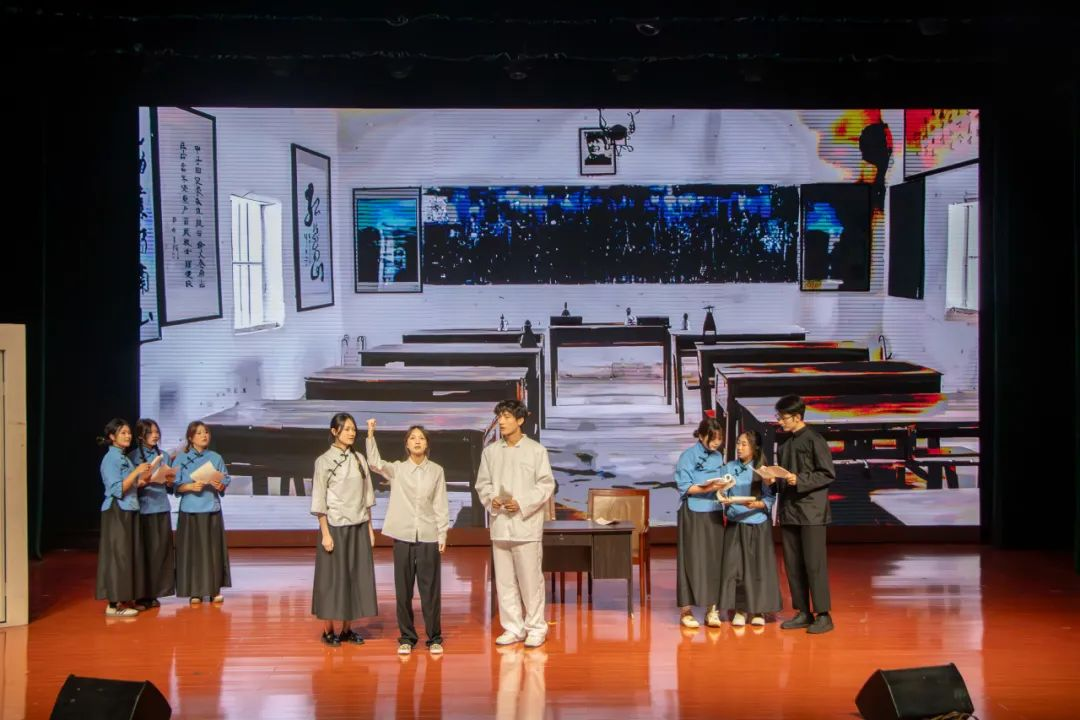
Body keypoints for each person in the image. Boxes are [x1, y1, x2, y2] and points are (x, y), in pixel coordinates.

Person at [474, 400, 555, 648]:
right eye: (499, 416)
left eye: (507, 416)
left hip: (526, 526)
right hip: (500, 525)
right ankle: (513, 627)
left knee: (531, 581)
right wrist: (492, 499)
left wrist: (521, 502)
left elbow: (546, 484)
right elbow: (482, 484)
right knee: (505, 582)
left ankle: (536, 627)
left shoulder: (536, 451)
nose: (501, 421)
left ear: (520, 420)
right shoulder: (490, 452)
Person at [366, 418, 449, 656]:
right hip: (403, 535)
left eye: (421, 438)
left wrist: (442, 533)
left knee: (430, 591)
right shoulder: (398, 469)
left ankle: (434, 637)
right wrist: (370, 435)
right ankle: (407, 637)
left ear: (427, 444)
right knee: (403, 591)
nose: (417, 441)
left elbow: (440, 504)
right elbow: (374, 463)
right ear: (406, 444)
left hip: (428, 535)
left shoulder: (436, 470)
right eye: (412, 438)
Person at [310, 413, 378, 646]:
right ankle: (328, 630)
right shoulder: (323, 461)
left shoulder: (359, 458)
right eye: (346, 429)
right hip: (335, 527)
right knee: (332, 580)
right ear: (334, 432)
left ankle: (347, 629)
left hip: (358, 526)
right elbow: (319, 499)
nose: (351, 433)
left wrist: (370, 528)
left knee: (353, 577)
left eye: (353, 429)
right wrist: (325, 533)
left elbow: (367, 496)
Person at [772, 395, 836, 634]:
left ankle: (823, 614)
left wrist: (799, 479)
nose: (780, 422)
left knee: (814, 564)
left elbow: (827, 473)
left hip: (811, 511)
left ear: (797, 417)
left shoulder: (814, 440)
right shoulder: (785, 445)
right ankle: (803, 612)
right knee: (793, 564)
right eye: (779, 417)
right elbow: (784, 478)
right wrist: (773, 480)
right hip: (790, 510)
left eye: (783, 418)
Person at [717, 430, 782, 627]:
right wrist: (723, 497)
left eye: (744, 444)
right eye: (738, 443)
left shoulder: (762, 469)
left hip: (757, 523)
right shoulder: (729, 467)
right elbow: (721, 493)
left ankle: (758, 610)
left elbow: (769, 497)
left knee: (757, 568)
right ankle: (740, 609)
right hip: (736, 522)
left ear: (755, 447)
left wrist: (759, 504)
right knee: (736, 568)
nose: (739, 447)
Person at [674, 415, 729, 628]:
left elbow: (721, 481)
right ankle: (686, 611)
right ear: (702, 436)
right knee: (691, 560)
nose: (716, 443)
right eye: (712, 439)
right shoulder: (688, 456)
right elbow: (685, 487)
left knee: (715, 560)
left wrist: (724, 487)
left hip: (713, 511)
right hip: (693, 512)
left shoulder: (718, 456)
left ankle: (712, 609)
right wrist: (709, 487)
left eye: (719, 439)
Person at [95, 418, 150, 617]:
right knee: (119, 556)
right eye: (123, 433)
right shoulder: (110, 459)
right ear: (112, 437)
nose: (128, 436)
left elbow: (129, 484)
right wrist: (136, 472)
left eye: (128, 433)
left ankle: (126, 599)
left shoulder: (124, 458)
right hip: (117, 510)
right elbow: (117, 489)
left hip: (130, 509)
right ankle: (113, 604)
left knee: (129, 555)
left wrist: (142, 480)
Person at [174, 421, 232, 606]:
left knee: (213, 551)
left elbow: (225, 480)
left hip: (211, 509)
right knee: (193, 552)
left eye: (206, 432)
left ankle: (214, 590)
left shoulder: (215, 457)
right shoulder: (181, 459)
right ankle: (195, 591)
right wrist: (189, 486)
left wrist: (220, 485)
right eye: (199, 433)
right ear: (190, 438)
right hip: (190, 510)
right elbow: (175, 485)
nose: (204, 436)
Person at [129, 418, 177, 610]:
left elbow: (170, 488)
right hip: (143, 509)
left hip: (161, 507)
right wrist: (143, 479)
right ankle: (141, 595)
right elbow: (130, 486)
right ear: (141, 436)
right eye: (150, 432)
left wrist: (170, 481)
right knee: (144, 554)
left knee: (160, 553)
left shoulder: (164, 455)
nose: (155, 435)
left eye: (157, 431)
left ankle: (155, 592)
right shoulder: (133, 457)